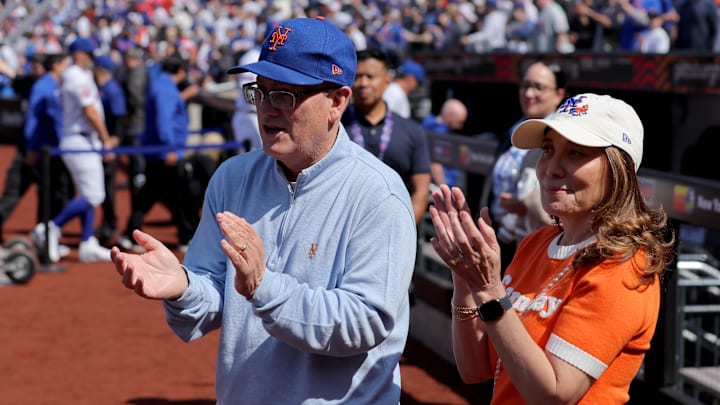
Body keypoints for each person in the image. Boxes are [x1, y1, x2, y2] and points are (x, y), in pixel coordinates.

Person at [110, 17, 416, 404]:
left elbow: (365, 322)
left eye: (286, 95)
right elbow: (215, 295)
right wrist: (184, 287)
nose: (268, 110)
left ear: (337, 101)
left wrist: (264, 286)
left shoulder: (378, 193)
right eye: (261, 92)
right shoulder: (232, 176)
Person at [430, 93, 674, 404]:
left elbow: (554, 395)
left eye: (575, 153)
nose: (550, 168)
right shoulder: (537, 242)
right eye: (548, 150)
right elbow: (474, 369)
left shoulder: (624, 268)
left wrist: (489, 290)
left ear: (618, 169)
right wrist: (464, 281)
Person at [31, 38, 117, 263]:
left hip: (82, 139)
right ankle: (50, 227)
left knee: (91, 192)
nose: (92, 59)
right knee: (93, 195)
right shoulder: (76, 76)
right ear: (79, 54)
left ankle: (87, 241)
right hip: (79, 139)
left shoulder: (78, 75)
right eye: (89, 54)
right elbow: (89, 111)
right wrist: (106, 139)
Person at [486, 61, 567, 271]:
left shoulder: (564, 139)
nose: (529, 93)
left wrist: (527, 206)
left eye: (539, 87)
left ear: (559, 94)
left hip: (536, 249)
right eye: (525, 86)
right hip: (500, 241)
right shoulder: (512, 131)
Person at [343, 49, 431, 224]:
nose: (363, 83)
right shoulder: (335, 127)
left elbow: (421, 191)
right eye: (357, 77)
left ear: (387, 80)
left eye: (370, 76)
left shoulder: (411, 131)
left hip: (395, 230)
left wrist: (403, 233)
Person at [117, 53, 194, 253]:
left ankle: (130, 234)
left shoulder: (161, 85)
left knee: (154, 194)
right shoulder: (165, 88)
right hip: (164, 151)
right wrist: (169, 148)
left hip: (160, 149)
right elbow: (164, 121)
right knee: (177, 194)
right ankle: (186, 235)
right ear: (180, 71)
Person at [2, 53, 72, 247]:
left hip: (48, 152)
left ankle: (44, 239)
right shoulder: (42, 87)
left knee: (50, 197)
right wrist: (31, 149)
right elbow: (32, 121)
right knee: (13, 195)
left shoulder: (54, 86)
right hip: (33, 151)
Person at [93, 54, 127, 245]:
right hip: (104, 141)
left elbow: (120, 117)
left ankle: (110, 225)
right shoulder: (103, 88)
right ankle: (107, 224)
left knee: (108, 186)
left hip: (109, 144)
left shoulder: (112, 89)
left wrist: (114, 140)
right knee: (104, 185)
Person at [421, 98, 468, 188]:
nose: (460, 127)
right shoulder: (439, 131)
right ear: (449, 115)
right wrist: (444, 190)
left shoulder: (428, 123)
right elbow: (435, 163)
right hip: (439, 187)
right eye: (459, 122)